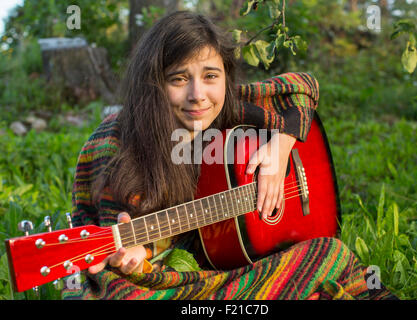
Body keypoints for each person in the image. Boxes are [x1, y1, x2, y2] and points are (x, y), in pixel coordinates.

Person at [62, 11, 396, 300]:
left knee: (329, 251)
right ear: (153, 84)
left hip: (220, 264)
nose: (198, 95)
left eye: (211, 76)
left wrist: (279, 154)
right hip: (191, 270)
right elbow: (117, 241)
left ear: (224, 75)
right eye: (178, 79)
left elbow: (303, 86)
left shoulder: (227, 108)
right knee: (117, 289)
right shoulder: (116, 144)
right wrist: (140, 254)